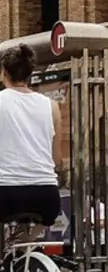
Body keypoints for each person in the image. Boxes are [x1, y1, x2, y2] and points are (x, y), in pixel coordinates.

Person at [0, 45, 64, 231]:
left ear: (4, 72)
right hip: (46, 196)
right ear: (30, 74)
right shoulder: (51, 106)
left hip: (6, 192)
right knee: (23, 244)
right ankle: (24, 258)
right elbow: (57, 160)